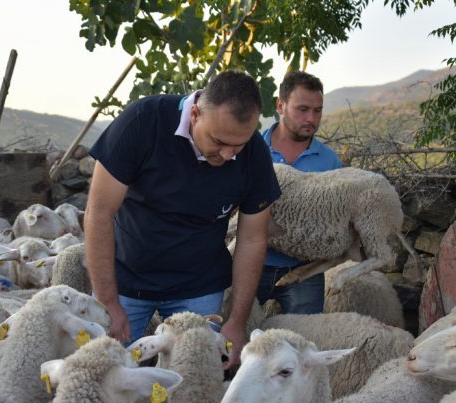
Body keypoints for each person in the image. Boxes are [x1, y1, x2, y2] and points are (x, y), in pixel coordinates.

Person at [84, 70, 281, 369]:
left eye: (237, 145)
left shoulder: (253, 154)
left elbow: (253, 239)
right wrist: (108, 302)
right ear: (195, 114)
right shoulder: (142, 121)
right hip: (126, 278)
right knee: (108, 372)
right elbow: (99, 212)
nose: (228, 155)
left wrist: (236, 322)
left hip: (198, 287)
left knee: (194, 380)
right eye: (218, 141)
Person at [256, 71, 342, 313]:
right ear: (280, 106)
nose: (311, 118)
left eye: (317, 110)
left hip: (305, 271)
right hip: (251, 264)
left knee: (303, 343)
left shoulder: (329, 161)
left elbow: (337, 217)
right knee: (238, 338)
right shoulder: (252, 150)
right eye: (303, 109)